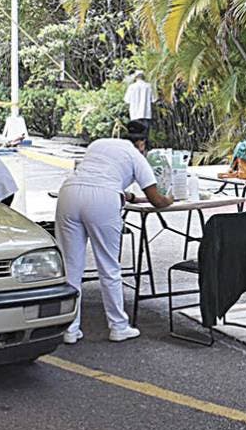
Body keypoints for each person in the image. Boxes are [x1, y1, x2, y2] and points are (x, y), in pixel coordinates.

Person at [55, 122, 173, 345]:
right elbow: (157, 200)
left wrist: (128, 196)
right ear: (141, 143)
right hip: (103, 200)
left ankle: (69, 328)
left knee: (71, 267)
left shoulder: (99, 144)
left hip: (69, 193)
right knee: (108, 266)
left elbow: (97, 175)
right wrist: (170, 199)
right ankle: (118, 327)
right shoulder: (137, 156)